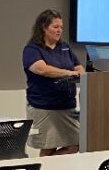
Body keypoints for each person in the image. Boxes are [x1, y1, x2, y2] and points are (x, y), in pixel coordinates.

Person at [23, 8, 84, 155]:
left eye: (61, 27)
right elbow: (41, 69)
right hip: (45, 107)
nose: (59, 30)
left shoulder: (64, 47)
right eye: (55, 27)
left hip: (66, 106)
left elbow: (78, 66)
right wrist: (69, 73)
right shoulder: (32, 49)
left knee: (76, 144)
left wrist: (80, 73)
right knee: (49, 146)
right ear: (44, 27)